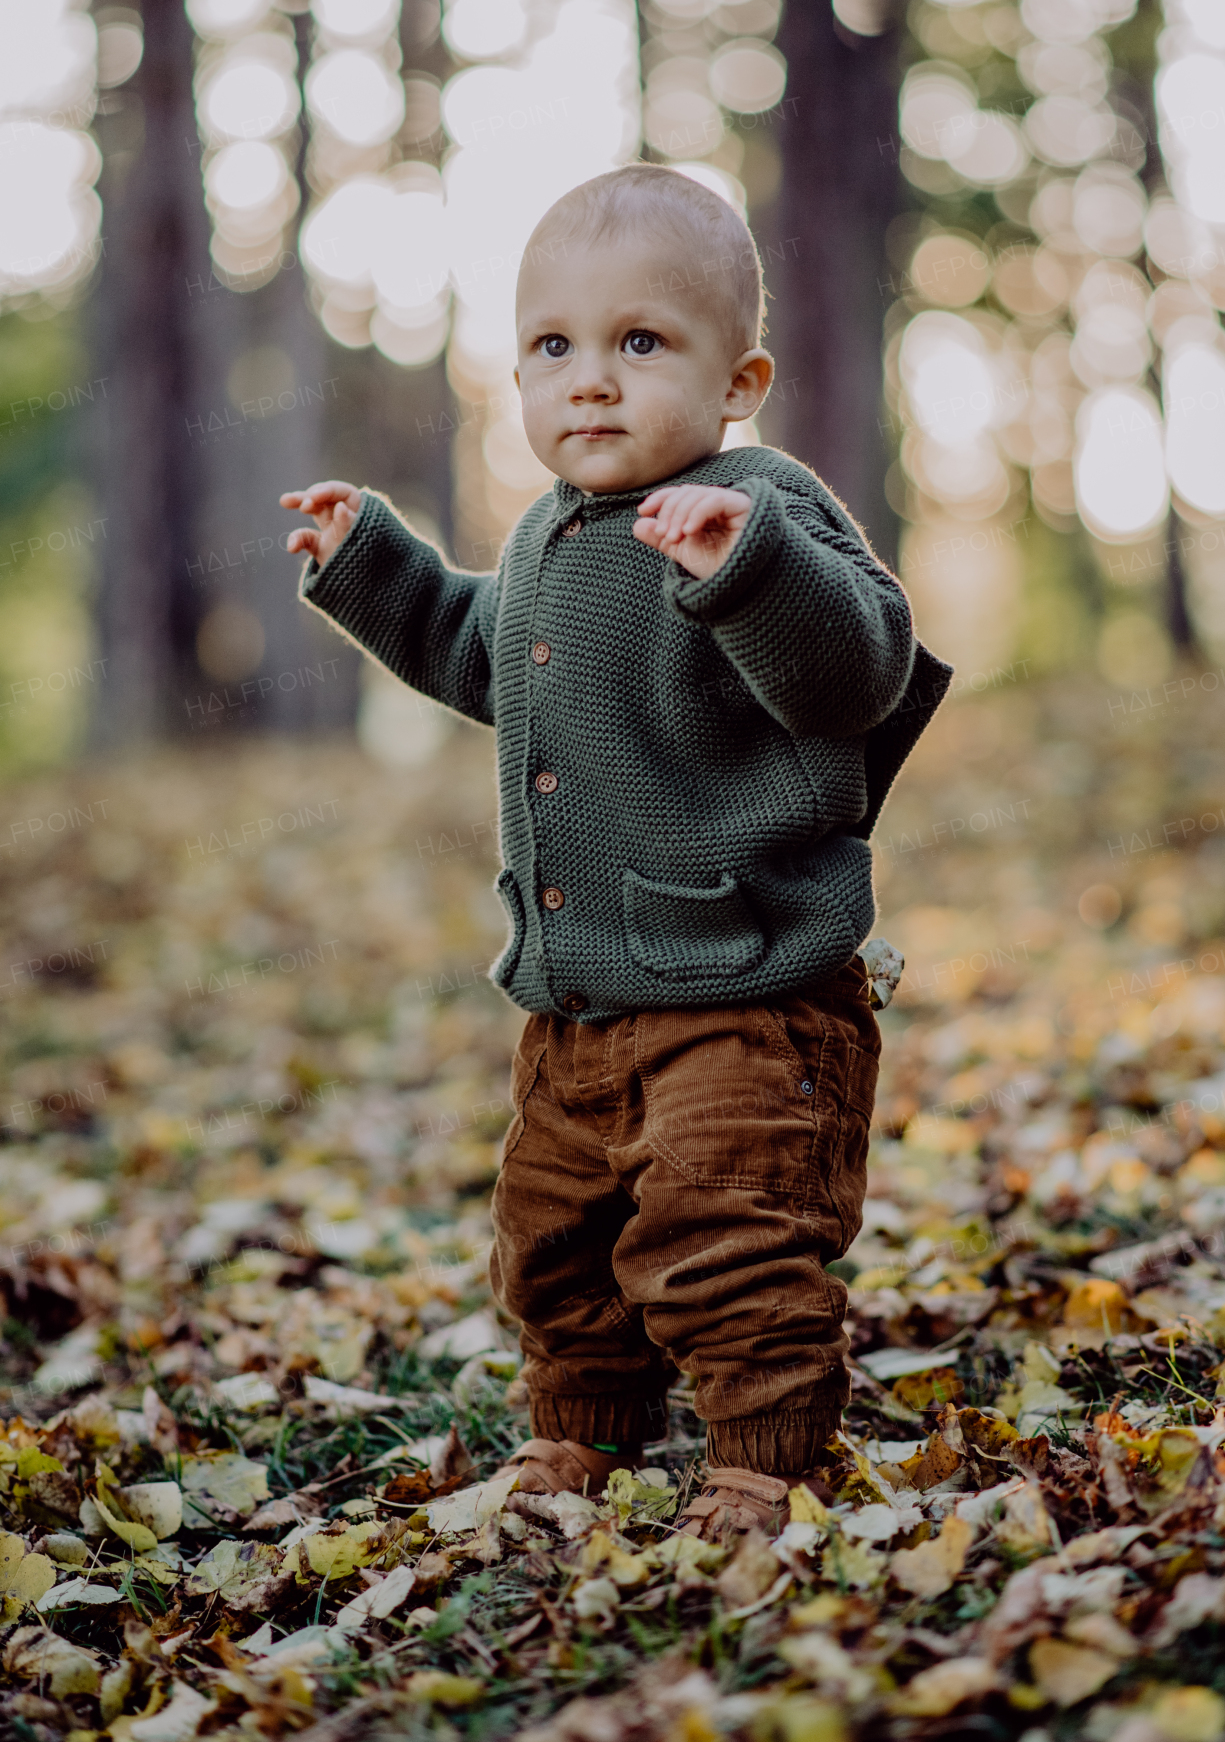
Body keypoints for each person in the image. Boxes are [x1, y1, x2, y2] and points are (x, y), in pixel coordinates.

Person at [281, 164, 950, 1539]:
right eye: (553, 347)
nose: (590, 380)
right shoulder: (545, 536)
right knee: (552, 1239)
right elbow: (484, 654)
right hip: (578, 1001)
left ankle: (763, 1454)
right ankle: (584, 1430)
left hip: (748, 991)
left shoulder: (762, 507)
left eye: (640, 343)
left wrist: (745, 569)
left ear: (738, 377)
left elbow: (857, 669)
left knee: (729, 1230)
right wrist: (377, 567)